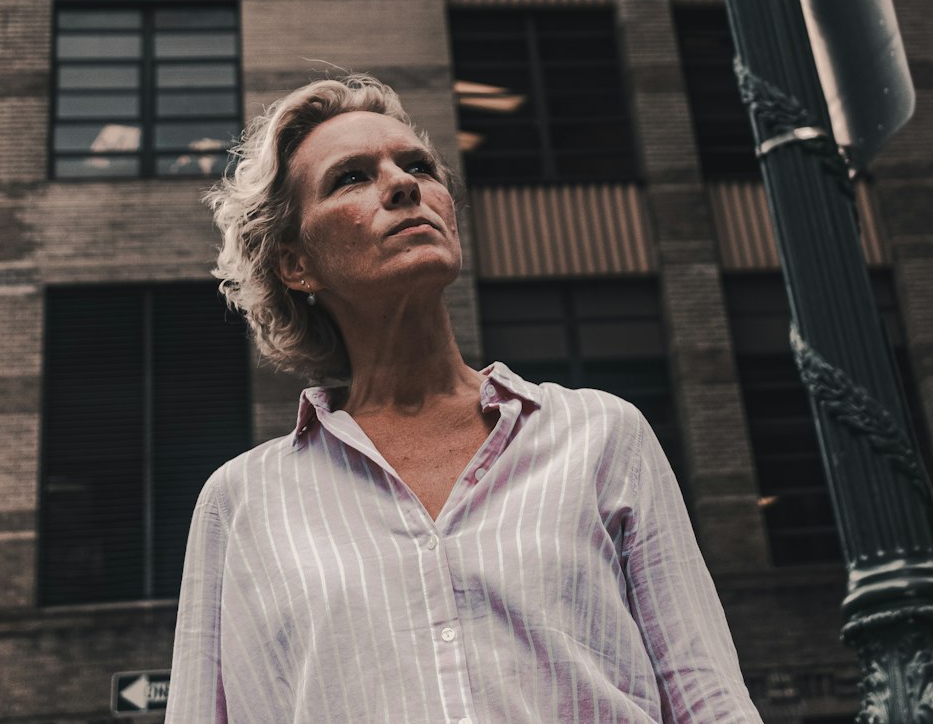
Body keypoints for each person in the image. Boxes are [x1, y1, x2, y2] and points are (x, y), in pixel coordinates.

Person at [165, 73, 764, 724]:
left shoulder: (601, 435)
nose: (404, 185)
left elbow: (710, 702)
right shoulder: (242, 505)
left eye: (418, 166)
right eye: (351, 178)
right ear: (296, 265)